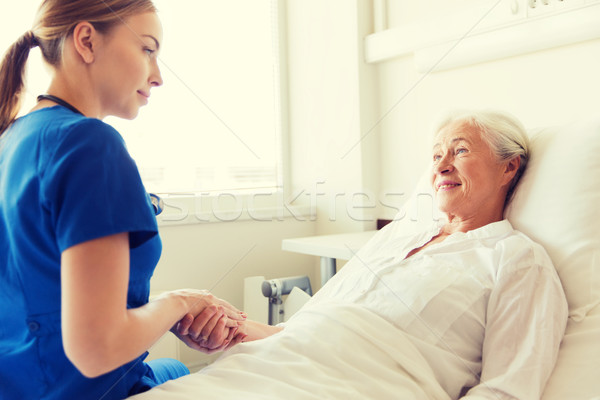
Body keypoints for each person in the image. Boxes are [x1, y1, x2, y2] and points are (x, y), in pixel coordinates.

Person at [157, 110, 569, 399]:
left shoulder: (516, 259)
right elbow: (306, 332)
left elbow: (508, 389)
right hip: (264, 371)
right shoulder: (394, 239)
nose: (441, 165)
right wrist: (233, 332)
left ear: (509, 168)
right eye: (436, 155)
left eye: (459, 151)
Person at [0, 1, 245, 399]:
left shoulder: (13, 138)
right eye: (147, 49)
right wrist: (179, 303)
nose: (158, 76)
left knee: (177, 366)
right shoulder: (89, 144)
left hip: (18, 383)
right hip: (73, 389)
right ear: (86, 41)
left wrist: (170, 315)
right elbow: (97, 351)